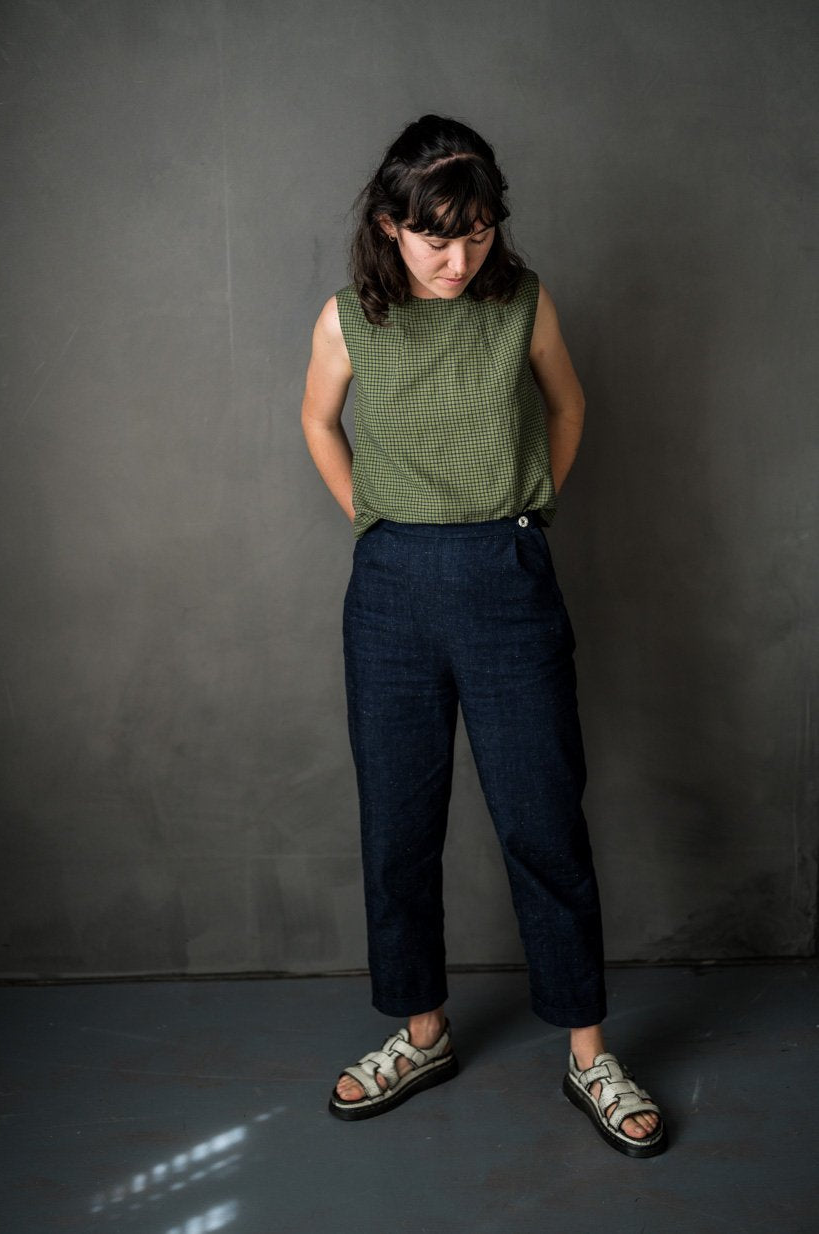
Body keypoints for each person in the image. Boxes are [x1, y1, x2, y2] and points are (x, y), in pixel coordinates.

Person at [300, 114, 667, 1158]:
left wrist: (530, 508)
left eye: (474, 233)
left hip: (506, 575)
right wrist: (370, 519)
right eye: (432, 237)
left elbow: (569, 403)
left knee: (542, 815)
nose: (456, 258)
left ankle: (588, 1051)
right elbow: (318, 419)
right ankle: (419, 1032)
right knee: (399, 822)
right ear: (389, 225)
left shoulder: (523, 302)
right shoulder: (345, 318)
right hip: (391, 589)